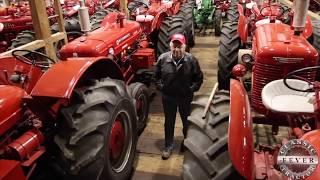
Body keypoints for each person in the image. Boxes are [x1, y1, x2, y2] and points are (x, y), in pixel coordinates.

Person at [155, 33, 203, 160]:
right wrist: (162, 88)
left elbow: (198, 78)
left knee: (187, 122)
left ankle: (186, 143)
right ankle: (168, 146)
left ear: (184, 47)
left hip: (185, 98)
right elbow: (156, 77)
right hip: (168, 98)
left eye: (179, 46)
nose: (176, 49)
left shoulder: (191, 60)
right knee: (169, 123)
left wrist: (190, 90)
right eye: (174, 46)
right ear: (170, 46)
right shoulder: (163, 59)